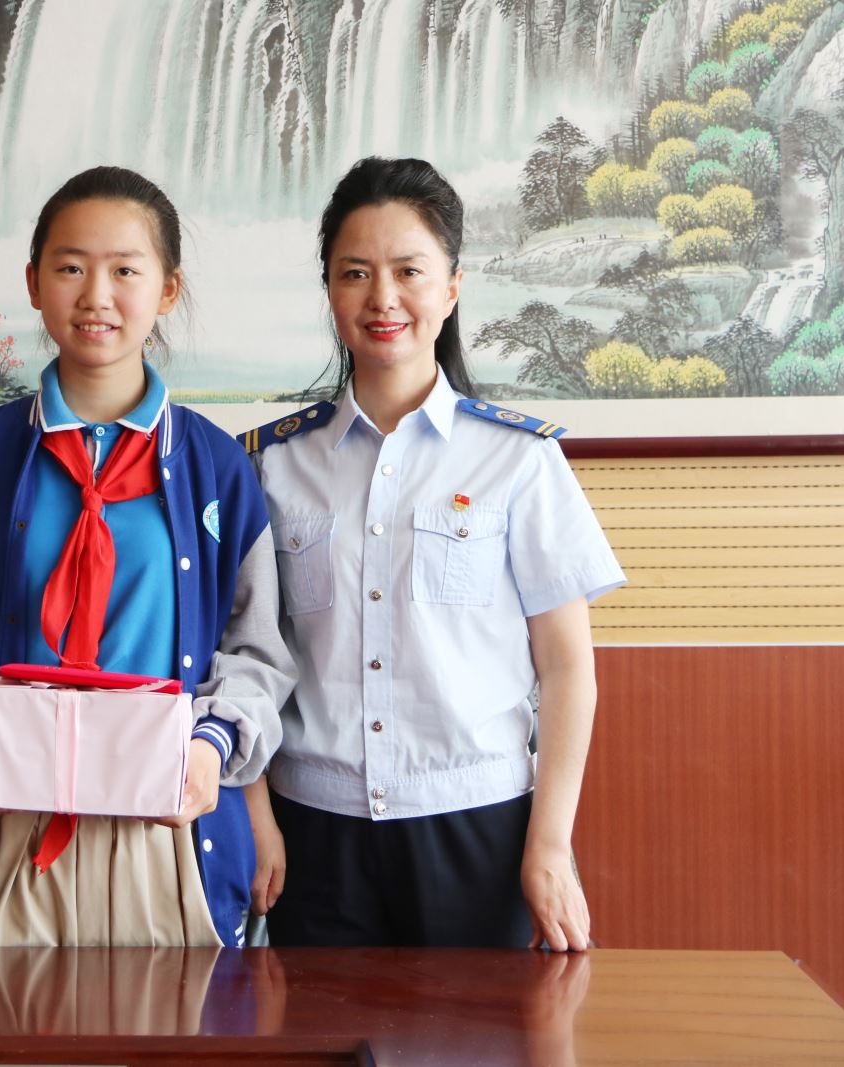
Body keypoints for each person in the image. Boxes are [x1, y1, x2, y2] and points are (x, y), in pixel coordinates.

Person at [0, 166, 292, 948]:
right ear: (34, 283)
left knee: (178, 1021)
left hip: (170, 830)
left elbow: (258, 652)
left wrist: (214, 743)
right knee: (3, 1023)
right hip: (10, 824)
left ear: (167, 290)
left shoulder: (218, 467)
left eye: (125, 271)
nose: (96, 295)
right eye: (71, 267)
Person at [243, 157, 625, 951]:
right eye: (355, 273)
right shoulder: (273, 465)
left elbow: (567, 668)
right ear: (330, 291)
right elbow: (244, 656)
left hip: (480, 830)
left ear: (451, 287)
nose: (382, 298)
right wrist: (253, 817)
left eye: (408, 271)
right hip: (312, 831)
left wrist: (549, 844)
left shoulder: (519, 459)